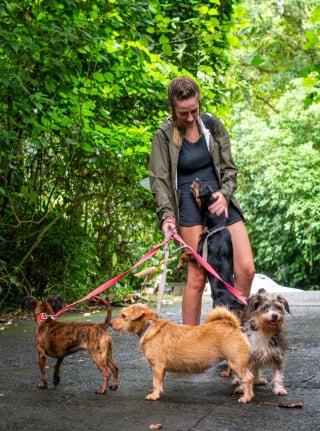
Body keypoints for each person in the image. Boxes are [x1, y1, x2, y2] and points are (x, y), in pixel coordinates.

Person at [149, 76, 255, 325]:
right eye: (183, 113)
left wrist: (225, 194)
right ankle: (191, 346)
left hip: (218, 199)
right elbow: (159, 180)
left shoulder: (212, 126)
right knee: (197, 277)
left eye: (193, 111)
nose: (189, 118)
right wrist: (167, 215)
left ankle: (231, 331)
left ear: (199, 103)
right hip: (188, 203)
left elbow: (230, 169)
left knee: (246, 270)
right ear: (172, 108)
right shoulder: (163, 136)